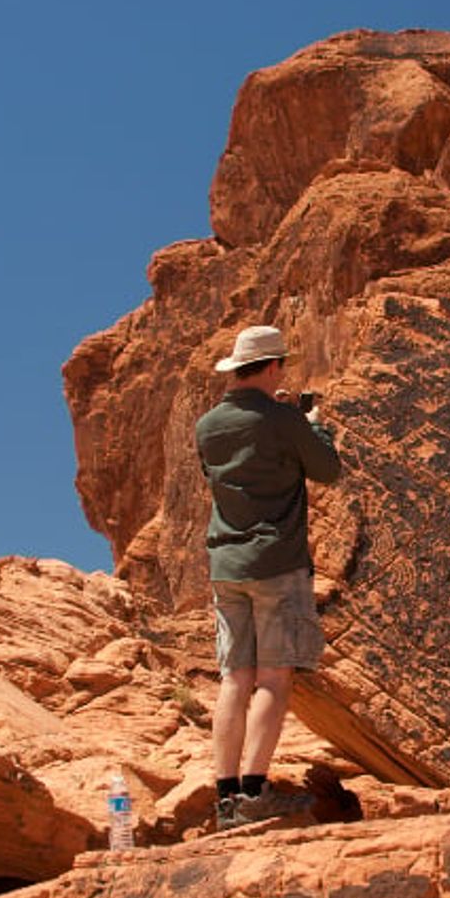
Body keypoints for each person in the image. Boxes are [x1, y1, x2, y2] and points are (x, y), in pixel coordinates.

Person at [195, 324, 341, 829]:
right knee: (275, 677)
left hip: (225, 566)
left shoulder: (208, 426)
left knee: (235, 678)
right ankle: (257, 790)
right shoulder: (283, 419)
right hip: (276, 562)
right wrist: (311, 425)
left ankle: (227, 796)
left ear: (237, 369)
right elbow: (326, 469)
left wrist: (282, 422)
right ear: (273, 366)